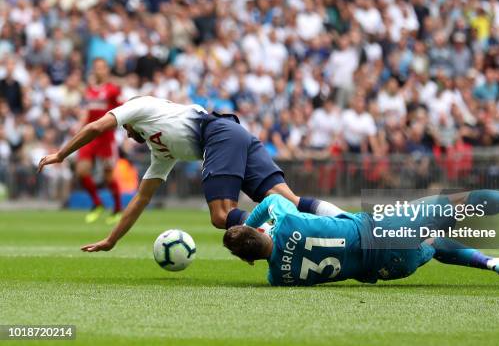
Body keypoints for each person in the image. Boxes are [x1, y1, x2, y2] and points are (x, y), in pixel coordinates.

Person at [37, 95, 343, 252]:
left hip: (219, 133)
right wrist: (111, 240)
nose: (126, 133)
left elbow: (94, 127)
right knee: (288, 198)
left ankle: (277, 236)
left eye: (125, 128)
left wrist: (61, 155)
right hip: (235, 133)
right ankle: (347, 224)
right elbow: (140, 200)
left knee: (222, 215)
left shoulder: (140, 106)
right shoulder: (161, 151)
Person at [223, 190, 499, 286]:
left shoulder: (277, 279)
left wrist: (250, 250)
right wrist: (246, 224)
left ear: (251, 259)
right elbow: (272, 201)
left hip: (390, 269)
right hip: (380, 231)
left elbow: (273, 253)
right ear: (259, 231)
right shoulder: (284, 222)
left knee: (434, 244)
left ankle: (494, 263)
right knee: (457, 203)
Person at [77, 58, 123, 224]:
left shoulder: (113, 90)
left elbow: (121, 111)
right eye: (96, 68)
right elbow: (84, 112)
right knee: (82, 171)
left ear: (106, 70)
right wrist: (79, 128)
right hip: (90, 135)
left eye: (102, 68)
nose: (99, 71)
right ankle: (97, 203)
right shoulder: (88, 90)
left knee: (108, 176)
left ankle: (118, 209)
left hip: (106, 136)